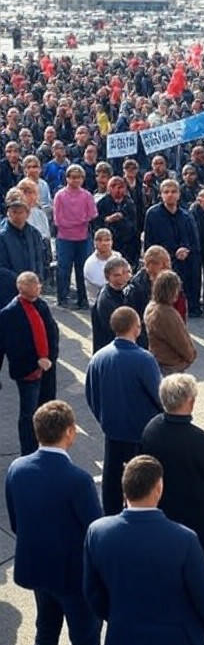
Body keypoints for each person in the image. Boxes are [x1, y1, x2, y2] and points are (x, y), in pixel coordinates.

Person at [83, 455, 204, 645]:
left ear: (124, 491)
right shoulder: (184, 539)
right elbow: (203, 596)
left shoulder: (98, 533)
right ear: (158, 489)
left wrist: (117, 617)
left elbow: (93, 592)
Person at [5, 401, 102, 645]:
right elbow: (96, 532)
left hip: (37, 570)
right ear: (70, 432)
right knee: (84, 642)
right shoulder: (78, 480)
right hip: (73, 578)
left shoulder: (17, 469)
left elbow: (16, 522)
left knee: (45, 634)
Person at [140, 373, 204, 645]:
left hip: (164, 510)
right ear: (190, 403)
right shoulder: (199, 439)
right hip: (196, 515)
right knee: (199, 566)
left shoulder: (151, 428)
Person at [85, 306, 163, 514]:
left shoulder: (99, 357)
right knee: (142, 478)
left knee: (112, 479)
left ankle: (110, 514)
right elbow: (159, 396)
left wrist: (104, 419)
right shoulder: (144, 359)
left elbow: (91, 395)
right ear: (136, 328)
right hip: (140, 432)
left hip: (113, 430)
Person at [0, 271, 59, 455]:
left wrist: (51, 359)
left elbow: (52, 333)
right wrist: (36, 362)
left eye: (38, 284)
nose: (39, 287)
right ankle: (28, 451)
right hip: (28, 372)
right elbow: (8, 345)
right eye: (34, 284)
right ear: (22, 288)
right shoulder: (9, 314)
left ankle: (48, 446)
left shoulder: (41, 305)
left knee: (47, 410)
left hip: (47, 369)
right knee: (28, 414)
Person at [144, 178, 202, 317]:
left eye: (173, 191)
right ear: (161, 194)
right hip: (163, 261)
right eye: (166, 192)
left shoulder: (186, 215)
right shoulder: (153, 214)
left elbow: (193, 239)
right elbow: (149, 241)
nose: (170, 195)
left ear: (179, 194)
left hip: (185, 260)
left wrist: (185, 249)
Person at [53, 163, 97, 309]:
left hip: (83, 238)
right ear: (67, 178)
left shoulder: (87, 195)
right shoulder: (60, 196)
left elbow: (92, 215)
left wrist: (74, 222)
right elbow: (58, 220)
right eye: (72, 177)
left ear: (83, 179)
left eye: (78, 177)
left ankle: (83, 299)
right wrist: (79, 221)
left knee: (82, 269)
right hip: (64, 238)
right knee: (63, 269)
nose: (75, 180)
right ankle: (62, 298)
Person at [144, 269, 197, 374]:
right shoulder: (167, 314)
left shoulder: (151, 307)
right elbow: (181, 341)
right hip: (171, 365)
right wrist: (191, 355)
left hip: (157, 360)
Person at [90, 255, 131, 353]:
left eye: (127, 272)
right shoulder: (106, 299)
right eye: (117, 275)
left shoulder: (127, 289)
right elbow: (114, 329)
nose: (123, 277)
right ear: (108, 277)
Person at [95, 175, 139, 267]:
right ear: (108, 188)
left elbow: (135, 225)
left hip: (128, 245)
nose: (117, 190)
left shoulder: (130, 203)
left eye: (120, 187)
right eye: (113, 186)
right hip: (109, 243)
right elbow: (96, 225)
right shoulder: (102, 203)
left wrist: (122, 219)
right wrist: (107, 220)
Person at [0, 195, 46, 279]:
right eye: (14, 212)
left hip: (31, 285)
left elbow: (39, 259)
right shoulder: (2, 236)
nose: (17, 216)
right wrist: (21, 280)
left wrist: (37, 279)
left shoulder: (34, 234)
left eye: (20, 212)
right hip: (8, 286)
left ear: (27, 214)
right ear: (8, 213)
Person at [83, 228, 114, 303]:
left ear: (112, 242)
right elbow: (102, 285)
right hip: (97, 303)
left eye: (107, 240)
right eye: (99, 240)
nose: (104, 243)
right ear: (94, 243)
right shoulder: (90, 264)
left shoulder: (118, 257)